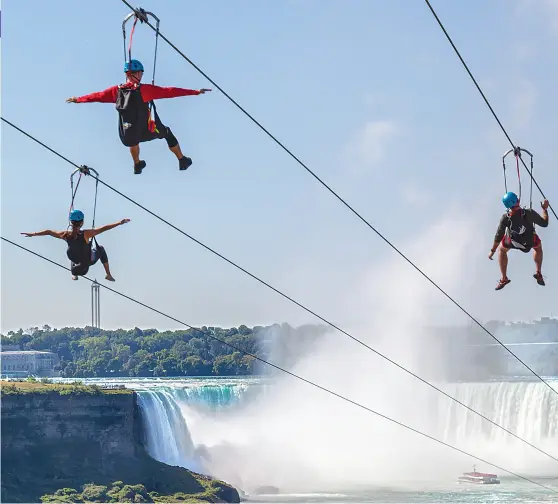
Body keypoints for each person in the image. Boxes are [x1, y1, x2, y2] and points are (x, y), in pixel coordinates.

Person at [66, 59, 212, 175]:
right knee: (167, 132)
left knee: (133, 141)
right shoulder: (145, 90)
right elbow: (169, 91)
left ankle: (137, 164)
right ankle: (182, 160)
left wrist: (78, 99)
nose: (142, 75)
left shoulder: (116, 91)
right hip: (146, 129)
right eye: (141, 73)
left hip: (126, 134)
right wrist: (194, 92)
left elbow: (97, 96)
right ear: (136, 74)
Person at [21, 210, 130, 281]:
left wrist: (33, 234)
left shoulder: (65, 234)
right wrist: (119, 223)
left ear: (71, 222)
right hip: (87, 262)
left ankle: (74, 274)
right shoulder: (86, 234)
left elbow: (49, 232)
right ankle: (108, 274)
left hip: (75, 262)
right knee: (100, 249)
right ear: (82, 222)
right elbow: (103, 228)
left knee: (76, 256)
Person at [488, 191, 550, 290]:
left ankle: (504, 278)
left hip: (512, 242)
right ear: (517, 201)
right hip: (529, 243)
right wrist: (544, 209)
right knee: (538, 247)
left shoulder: (505, 217)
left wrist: (492, 251)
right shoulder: (529, 212)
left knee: (502, 250)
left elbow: (498, 236)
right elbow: (544, 223)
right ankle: (538, 272)